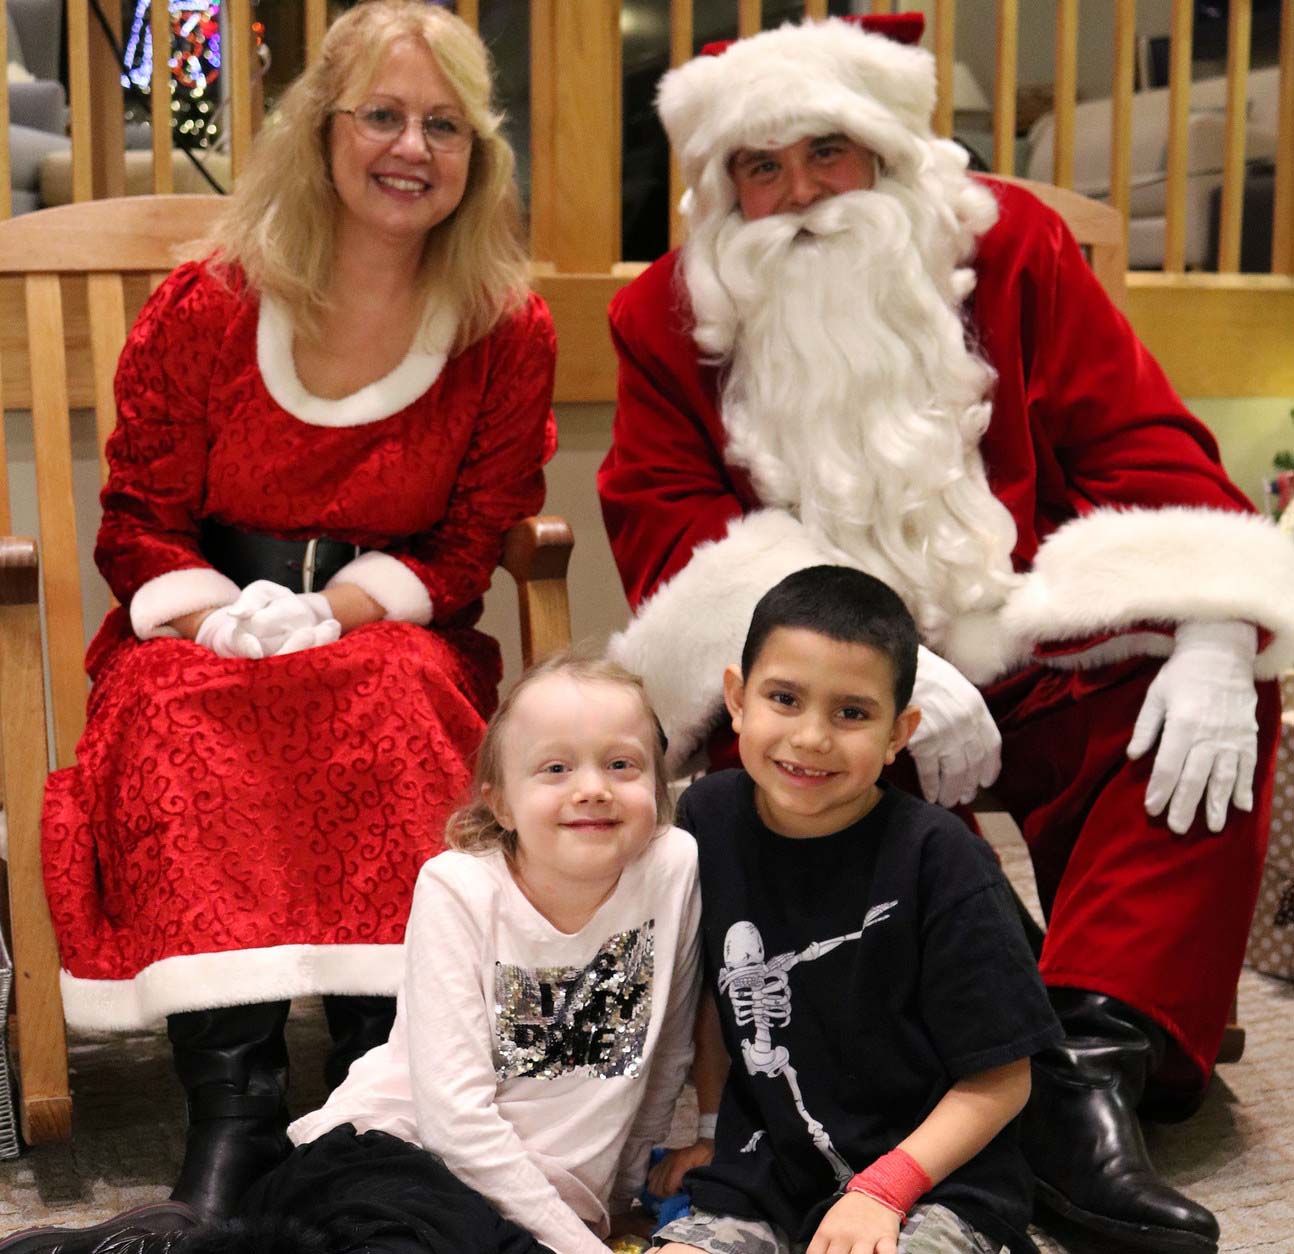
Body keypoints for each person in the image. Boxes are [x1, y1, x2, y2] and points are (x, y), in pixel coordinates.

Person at [598, 15, 1294, 1254]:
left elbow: (1140, 446)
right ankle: (962, 1060)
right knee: (760, 758)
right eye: (761, 168)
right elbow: (673, 539)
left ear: (890, 148)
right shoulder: (668, 315)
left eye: (829, 151)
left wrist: (1211, 633)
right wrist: (871, 667)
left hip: (1014, 634)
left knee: (1197, 680)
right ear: (721, 187)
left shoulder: (1008, 246)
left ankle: (1090, 1058)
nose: (802, 196)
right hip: (831, 686)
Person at [40, 0, 556, 1221]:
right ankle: (237, 1108)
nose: (410, 147)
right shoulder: (210, 303)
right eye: (381, 114)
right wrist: (210, 616)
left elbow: (475, 532)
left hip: (393, 625)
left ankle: (378, 1097)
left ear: (476, 154)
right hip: (204, 623)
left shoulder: (503, 326)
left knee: (395, 705)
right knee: (170, 718)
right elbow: (139, 518)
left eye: (443, 125)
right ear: (321, 131)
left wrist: (357, 605)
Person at [6, 654, 701, 1254]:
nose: (592, 788)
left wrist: (623, 1190)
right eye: (555, 767)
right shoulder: (460, 887)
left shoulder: (671, 867)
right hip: (402, 1157)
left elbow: (665, 1049)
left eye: (622, 764)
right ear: (502, 803)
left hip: (520, 1204)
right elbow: (455, 1123)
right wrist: (576, 1242)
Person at [650, 565, 1061, 1254]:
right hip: (765, 1175)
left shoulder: (944, 861)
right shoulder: (705, 817)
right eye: (784, 698)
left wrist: (886, 1187)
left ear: (900, 732)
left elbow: (1003, 1077)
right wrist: (714, 1129)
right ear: (737, 700)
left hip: (933, 1182)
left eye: (852, 713)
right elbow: (716, 995)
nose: (812, 738)